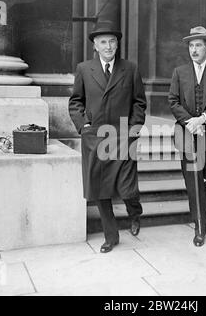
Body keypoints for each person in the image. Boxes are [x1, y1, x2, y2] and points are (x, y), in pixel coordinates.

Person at [69, 21, 147, 253]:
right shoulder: (84, 69)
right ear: (95, 45)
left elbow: (139, 102)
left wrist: (135, 128)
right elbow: (75, 102)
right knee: (101, 189)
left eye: (112, 41)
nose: (108, 46)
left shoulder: (130, 69)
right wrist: (83, 126)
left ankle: (135, 212)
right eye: (103, 42)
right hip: (95, 138)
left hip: (123, 136)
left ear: (117, 44)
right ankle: (110, 237)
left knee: (126, 188)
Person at [168, 26, 206, 247]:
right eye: (191, 45)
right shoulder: (179, 72)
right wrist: (190, 123)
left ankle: (205, 197)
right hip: (187, 135)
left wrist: (202, 119)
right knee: (193, 183)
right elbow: (173, 101)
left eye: (198, 45)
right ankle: (200, 229)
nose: (194, 50)